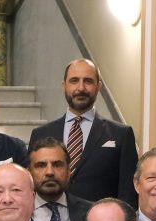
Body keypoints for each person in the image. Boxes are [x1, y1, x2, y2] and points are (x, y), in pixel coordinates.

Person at [28, 59, 139, 207]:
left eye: (88, 81)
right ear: (64, 86)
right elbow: (30, 185)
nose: (81, 88)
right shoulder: (40, 134)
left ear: (98, 86)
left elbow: (128, 193)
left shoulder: (121, 135)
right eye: (74, 81)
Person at [28, 136, 93, 221]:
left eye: (57, 165)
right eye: (41, 165)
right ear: (29, 173)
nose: (49, 172)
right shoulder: (17, 213)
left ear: (68, 171)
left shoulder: (90, 212)